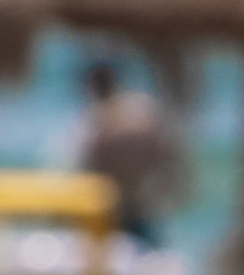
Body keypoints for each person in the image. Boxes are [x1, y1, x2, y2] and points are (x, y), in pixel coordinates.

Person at [73, 61, 186, 249]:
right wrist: (170, 189)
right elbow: (169, 154)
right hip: (140, 203)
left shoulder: (95, 123)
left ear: (91, 87)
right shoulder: (142, 112)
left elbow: (85, 169)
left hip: (107, 208)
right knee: (148, 259)